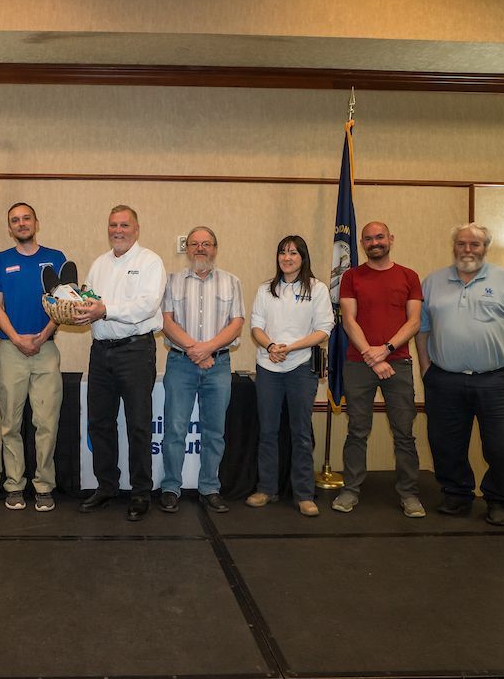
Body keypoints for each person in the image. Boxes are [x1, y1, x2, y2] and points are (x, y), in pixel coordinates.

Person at [415, 222, 504, 526]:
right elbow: (421, 329)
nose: (467, 249)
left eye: (475, 244)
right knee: (445, 444)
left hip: (501, 381)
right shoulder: (433, 282)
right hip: (445, 380)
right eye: (461, 243)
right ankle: (456, 494)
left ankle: (499, 500)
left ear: (486, 248)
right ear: (454, 247)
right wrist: (426, 369)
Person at [73, 205, 166, 522]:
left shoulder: (150, 262)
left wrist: (104, 310)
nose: (118, 230)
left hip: (135, 352)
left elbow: (147, 306)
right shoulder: (99, 264)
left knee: (138, 424)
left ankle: (141, 492)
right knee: (99, 422)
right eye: (113, 225)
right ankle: (106, 487)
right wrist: (78, 309)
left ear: (136, 229)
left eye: (125, 225)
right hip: (100, 352)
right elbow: (88, 299)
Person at [331, 221, 425, 518]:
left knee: (404, 432)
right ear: (362, 244)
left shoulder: (409, 276)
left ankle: (409, 494)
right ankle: (351, 489)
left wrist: (385, 350)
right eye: (369, 239)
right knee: (357, 430)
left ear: (391, 239)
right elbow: (349, 320)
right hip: (358, 364)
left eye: (380, 237)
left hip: (398, 363)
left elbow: (414, 322)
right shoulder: (351, 276)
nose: (375, 242)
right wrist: (372, 357)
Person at [159, 226, 245, 514]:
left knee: (214, 431)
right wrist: (196, 350)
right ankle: (171, 487)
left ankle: (210, 488)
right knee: (174, 429)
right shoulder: (172, 281)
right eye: (194, 243)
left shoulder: (232, 282)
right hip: (180, 364)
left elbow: (236, 324)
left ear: (215, 249)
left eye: (206, 244)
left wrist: (207, 349)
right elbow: (166, 322)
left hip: (218, 365)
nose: (200, 248)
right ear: (187, 249)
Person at [247, 235, 334, 517]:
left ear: (303, 257)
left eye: (293, 253)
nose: (287, 258)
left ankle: (304, 494)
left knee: (301, 432)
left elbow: (323, 329)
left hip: (301, 367)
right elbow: (256, 327)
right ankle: (266, 489)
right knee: (267, 431)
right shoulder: (265, 290)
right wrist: (271, 346)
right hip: (268, 366)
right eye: (283, 252)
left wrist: (290, 347)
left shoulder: (317, 289)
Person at [0, 202, 67, 513]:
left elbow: (63, 304)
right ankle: (14, 485)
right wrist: (17, 338)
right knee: (10, 423)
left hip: (45, 349)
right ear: (10, 228)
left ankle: (44, 486)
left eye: (26, 218)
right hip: (11, 350)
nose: (21, 223)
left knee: (46, 423)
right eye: (15, 220)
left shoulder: (55, 258)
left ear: (36, 222)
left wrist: (42, 335)